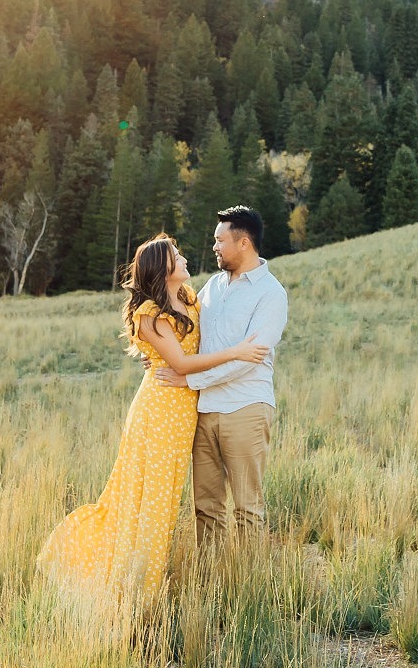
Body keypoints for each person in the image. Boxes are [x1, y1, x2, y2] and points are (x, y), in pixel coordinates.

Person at [35, 234, 269, 628]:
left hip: (186, 412)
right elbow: (180, 362)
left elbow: (194, 348)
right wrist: (237, 352)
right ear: (162, 268)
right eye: (176, 256)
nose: (183, 257)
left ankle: (143, 584)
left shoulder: (190, 297)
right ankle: (137, 596)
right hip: (159, 412)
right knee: (150, 502)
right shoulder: (149, 314)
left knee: (165, 500)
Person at [156, 206, 288, 549]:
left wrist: (191, 381)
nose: (214, 246)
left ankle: (247, 588)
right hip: (204, 411)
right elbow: (189, 335)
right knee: (206, 507)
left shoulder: (271, 294)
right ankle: (212, 583)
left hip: (245, 407)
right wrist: (159, 350)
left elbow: (249, 359)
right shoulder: (212, 286)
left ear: (243, 243)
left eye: (219, 240)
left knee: (248, 508)